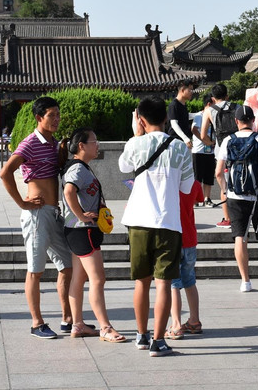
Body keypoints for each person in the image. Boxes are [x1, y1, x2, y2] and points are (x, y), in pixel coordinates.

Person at [118, 97, 195, 357]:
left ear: (140, 118)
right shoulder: (180, 148)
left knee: (142, 282)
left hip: (138, 221)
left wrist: (135, 134)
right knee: (163, 283)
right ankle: (158, 341)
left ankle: (141, 335)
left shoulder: (134, 144)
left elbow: (123, 167)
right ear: (165, 118)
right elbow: (187, 188)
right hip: (168, 222)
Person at [0, 97, 73, 339]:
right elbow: (5, 172)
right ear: (39, 117)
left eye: (58, 115)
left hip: (54, 213)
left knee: (68, 266)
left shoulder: (53, 143)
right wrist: (22, 202)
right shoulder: (30, 143)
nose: (57, 119)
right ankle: (36, 323)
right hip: (37, 215)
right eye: (52, 115)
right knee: (35, 271)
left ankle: (67, 318)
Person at [59, 128, 125, 342]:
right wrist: (81, 215)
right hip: (82, 231)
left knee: (79, 279)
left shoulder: (80, 167)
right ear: (81, 146)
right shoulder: (78, 168)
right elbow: (69, 191)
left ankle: (78, 324)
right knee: (98, 279)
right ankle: (105, 327)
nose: (98, 145)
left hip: (78, 230)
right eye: (94, 141)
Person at [215, 105, 258, 293]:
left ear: (236, 121)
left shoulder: (227, 141)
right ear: (253, 120)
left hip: (235, 197)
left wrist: (226, 190)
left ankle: (245, 281)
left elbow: (219, 172)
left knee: (240, 237)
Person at [169, 179, 205, 339]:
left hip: (172, 238)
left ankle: (176, 324)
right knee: (190, 280)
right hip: (190, 238)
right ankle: (194, 320)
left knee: (173, 283)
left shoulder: (169, 183)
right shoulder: (194, 183)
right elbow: (199, 199)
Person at [200, 83, 236, 227]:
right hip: (239, 149)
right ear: (227, 95)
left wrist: (212, 143)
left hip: (221, 151)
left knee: (224, 185)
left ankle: (227, 219)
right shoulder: (237, 107)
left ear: (213, 98)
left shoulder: (209, 110)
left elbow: (202, 135)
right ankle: (241, 216)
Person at [191, 94, 217, 207]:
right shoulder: (199, 115)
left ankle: (207, 198)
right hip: (199, 150)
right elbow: (193, 129)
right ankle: (196, 199)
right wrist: (203, 140)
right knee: (197, 176)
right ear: (208, 104)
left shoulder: (215, 116)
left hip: (210, 150)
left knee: (209, 176)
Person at [167, 80, 196, 144]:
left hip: (182, 141)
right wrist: (185, 139)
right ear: (182, 90)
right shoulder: (174, 105)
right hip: (175, 141)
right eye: (190, 90)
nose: (192, 92)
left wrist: (200, 113)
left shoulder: (183, 104)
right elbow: (174, 123)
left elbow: (185, 116)